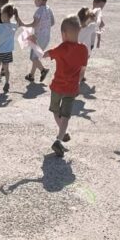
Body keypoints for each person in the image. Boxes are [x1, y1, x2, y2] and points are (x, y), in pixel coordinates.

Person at [43, 15, 89, 156]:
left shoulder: (61, 48)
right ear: (79, 31)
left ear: (63, 34)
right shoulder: (84, 49)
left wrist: (33, 43)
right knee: (66, 116)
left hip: (57, 86)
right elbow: (82, 70)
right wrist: (78, 82)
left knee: (55, 111)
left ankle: (61, 135)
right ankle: (60, 137)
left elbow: (44, 54)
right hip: (71, 88)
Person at [17, 0, 53, 82]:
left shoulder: (39, 11)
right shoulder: (49, 9)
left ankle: (43, 70)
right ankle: (31, 75)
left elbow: (34, 24)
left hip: (38, 38)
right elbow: (52, 22)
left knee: (33, 58)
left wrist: (24, 24)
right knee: (35, 57)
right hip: (46, 37)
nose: (34, 1)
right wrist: (44, 26)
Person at [0, 4, 18, 92]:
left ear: (5, 15)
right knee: (6, 68)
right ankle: (7, 82)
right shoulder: (14, 26)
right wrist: (16, 14)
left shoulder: (0, 26)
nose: (0, 16)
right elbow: (19, 23)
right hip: (8, 52)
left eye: (1, 14)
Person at [77, 6, 98, 84]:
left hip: (75, 50)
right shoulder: (91, 27)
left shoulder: (75, 27)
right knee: (83, 67)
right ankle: (80, 78)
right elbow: (96, 21)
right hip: (86, 51)